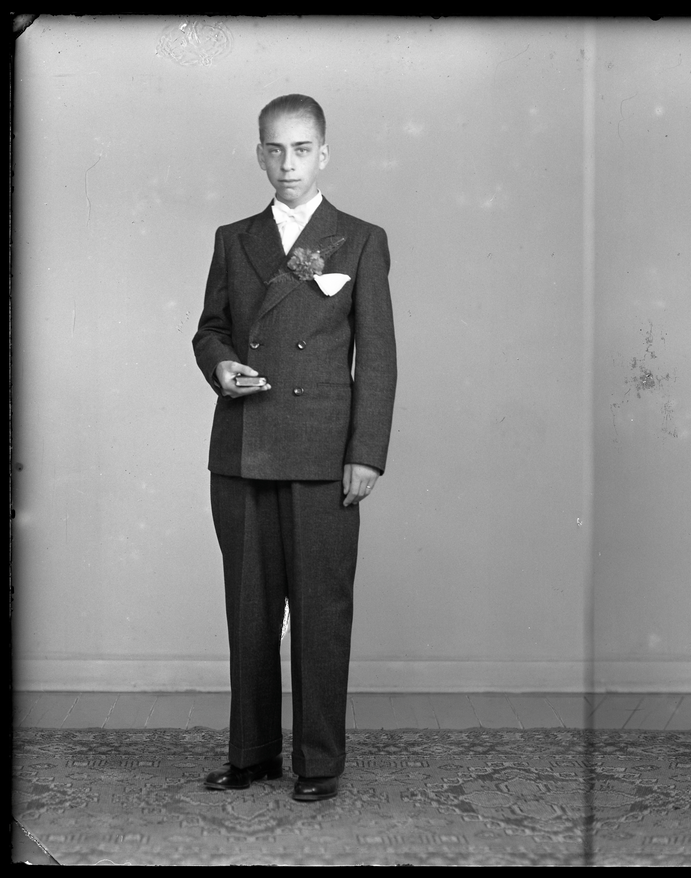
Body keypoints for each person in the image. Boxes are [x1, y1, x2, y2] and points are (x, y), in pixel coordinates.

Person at [193, 94, 397, 802]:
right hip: (244, 445)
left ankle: (318, 761)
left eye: (302, 149)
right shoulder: (234, 238)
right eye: (275, 150)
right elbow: (211, 328)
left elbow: (378, 357)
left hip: (321, 450)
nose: (288, 164)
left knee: (320, 613)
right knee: (249, 610)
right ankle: (251, 754)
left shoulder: (357, 239)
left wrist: (366, 452)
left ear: (324, 154)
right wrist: (221, 365)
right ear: (259, 154)